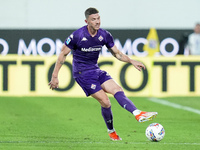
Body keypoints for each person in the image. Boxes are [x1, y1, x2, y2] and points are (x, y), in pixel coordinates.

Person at [48, 7, 157, 141]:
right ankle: (111, 131)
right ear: (86, 21)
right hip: (82, 74)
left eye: (98, 18)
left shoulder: (104, 35)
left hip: (96, 70)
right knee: (106, 102)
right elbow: (62, 55)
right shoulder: (77, 35)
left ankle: (137, 113)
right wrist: (54, 76)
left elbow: (117, 53)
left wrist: (131, 61)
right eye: (93, 19)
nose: (97, 22)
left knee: (117, 89)